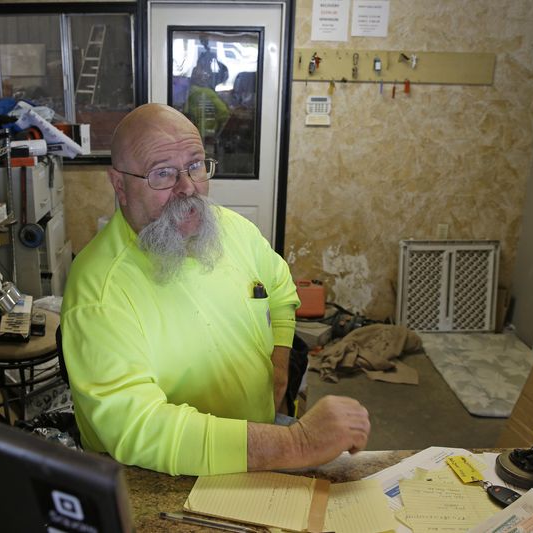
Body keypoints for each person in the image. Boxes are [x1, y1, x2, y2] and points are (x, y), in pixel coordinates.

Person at [60, 103, 370, 475]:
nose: (188, 187)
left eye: (195, 165)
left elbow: (279, 287)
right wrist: (297, 443)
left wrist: (279, 370)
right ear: (119, 186)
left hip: (260, 443)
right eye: (163, 174)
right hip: (161, 474)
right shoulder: (99, 291)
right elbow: (138, 428)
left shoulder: (229, 228)